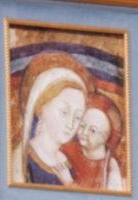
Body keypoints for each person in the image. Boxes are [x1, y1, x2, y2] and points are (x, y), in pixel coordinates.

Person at [12, 52, 90, 186]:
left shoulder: (65, 163)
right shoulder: (23, 160)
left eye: (78, 117)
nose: (71, 124)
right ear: (42, 108)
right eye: (64, 112)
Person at [62, 92, 126, 191]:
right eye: (82, 125)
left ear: (106, 137)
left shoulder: (109, 167)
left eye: (92, 130)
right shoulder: (68, 147)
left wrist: (68, 182)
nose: (84, 132)